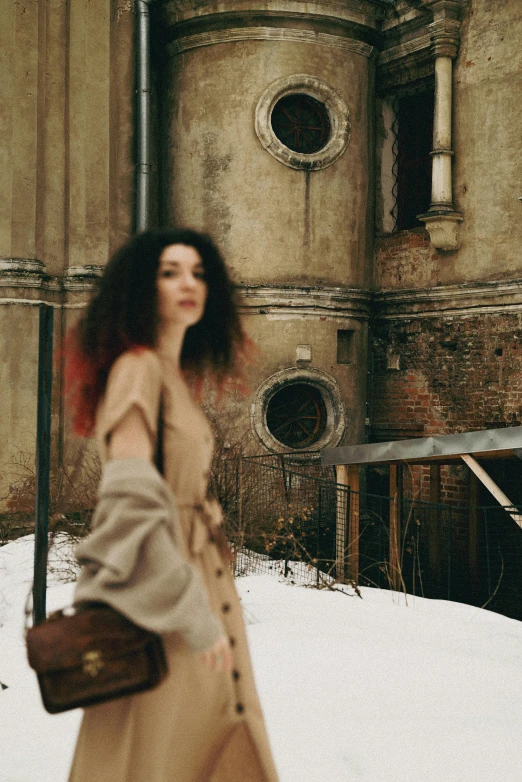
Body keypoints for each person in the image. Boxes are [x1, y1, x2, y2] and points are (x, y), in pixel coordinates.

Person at [64, 229, 279, 782]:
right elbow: (130, 503)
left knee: (213, 742)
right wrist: (192, 615)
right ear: (142, 288)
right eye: (169, 272)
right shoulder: (138, 369)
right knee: (162, 754)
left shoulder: (175, 380)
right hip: (164, 608)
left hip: (201, 591)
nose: (188, 283)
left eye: (199, 273)